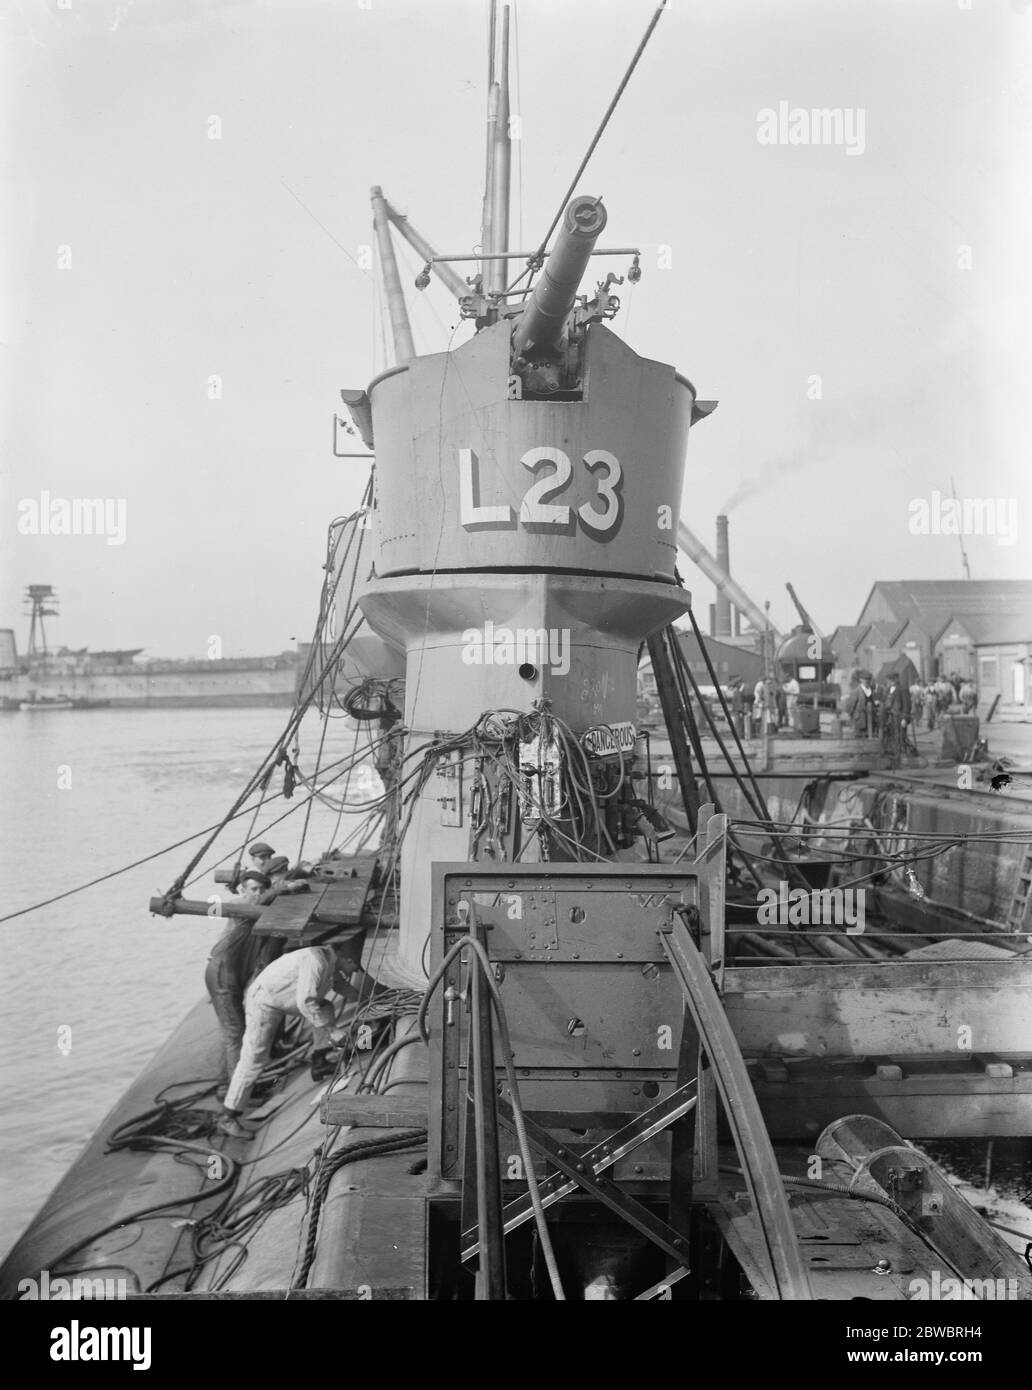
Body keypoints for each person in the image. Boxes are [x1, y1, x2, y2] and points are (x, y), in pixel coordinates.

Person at [218, 939, 355, 1136]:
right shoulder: (316, 962)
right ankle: (227, 1116)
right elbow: (305, 1002)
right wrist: (333, 1031)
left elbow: (342, 986)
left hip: (278, 999)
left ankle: (319, 1060)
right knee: (255, 1059)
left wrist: (368, 998)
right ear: (347, 959)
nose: (353, 973)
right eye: (354, 968)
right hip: (263, 1002)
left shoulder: (330, 959)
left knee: (325, 1007)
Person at [205, 870, 282, 1085]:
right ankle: (237, 1088)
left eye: (261, 889)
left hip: (236, 975)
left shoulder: (261, 909)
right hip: (222, 974)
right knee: (235, 1033)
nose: (257, 894)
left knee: (231, 1030)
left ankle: (225, 1083)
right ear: (242, 890)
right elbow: (257, 905)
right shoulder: (239, 908)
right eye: (253, 889)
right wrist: (282, 887)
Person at [729, 675, 746, 739]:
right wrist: (741, 711)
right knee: (739, 725)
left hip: (735, 711)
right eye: (740, 683)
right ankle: (739, 737)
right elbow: (739, 703)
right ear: (738, 684)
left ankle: (737, 736)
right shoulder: (738, 693)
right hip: (738, 712)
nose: (742, 684)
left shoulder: (735, 692)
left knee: (737, 725)